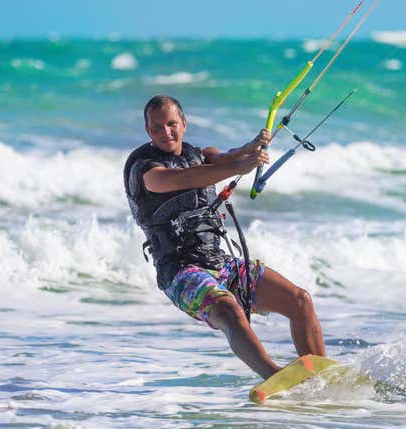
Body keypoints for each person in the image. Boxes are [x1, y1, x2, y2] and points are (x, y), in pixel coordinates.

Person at [123, 95, 326, 379]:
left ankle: (320, 377)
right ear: (147, 131)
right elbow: (189, 178)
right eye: (157, 128)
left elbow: (226, 157)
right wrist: (237, 167)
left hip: (220, 262)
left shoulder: (200, 154)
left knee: (299, 300)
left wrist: (252, 147)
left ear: (184, 123)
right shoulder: (146, 171)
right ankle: (276, 378)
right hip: (180, 273)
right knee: (228, 310)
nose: (166, 132)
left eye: (171, 124)